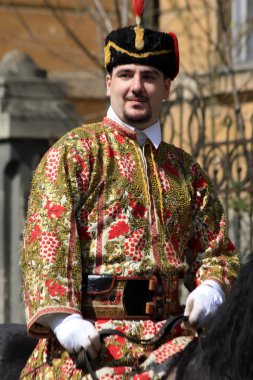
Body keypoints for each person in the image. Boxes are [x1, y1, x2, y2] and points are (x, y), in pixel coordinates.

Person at [20, 3, 239, 379]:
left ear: (167, 87)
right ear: (109, 83)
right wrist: (65, 322)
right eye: (125, 74)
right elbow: (47, 246)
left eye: (149, 76)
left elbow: (217, 252)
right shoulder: (73, 153)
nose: (137, 86)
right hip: (90, 340)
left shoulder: (186, 171)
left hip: (172, 336)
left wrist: (211, 289)